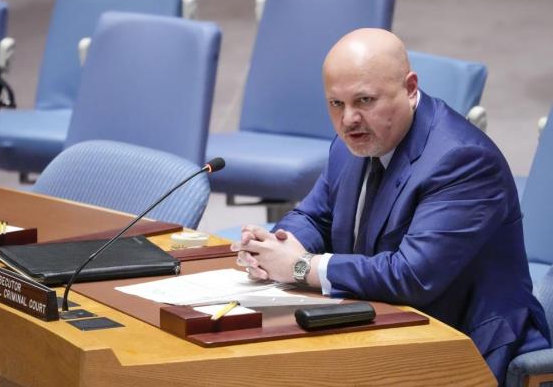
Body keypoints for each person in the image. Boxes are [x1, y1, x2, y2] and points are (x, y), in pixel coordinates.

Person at [232, 28, 550, 385]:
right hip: (381, 327)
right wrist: (273, 246)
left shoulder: (463, 160)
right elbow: (314, 216)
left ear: (411, 88)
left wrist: (302, 266)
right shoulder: (353, 141)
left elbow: (411, 276)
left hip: (464, 347)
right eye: (336, 104)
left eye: (365, 101)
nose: (348, 119)